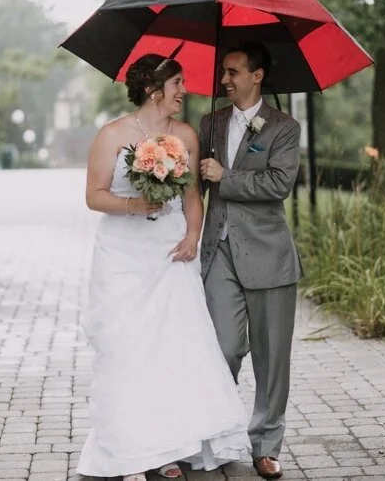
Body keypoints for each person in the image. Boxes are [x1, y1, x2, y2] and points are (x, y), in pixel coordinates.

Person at [78, 54, 251, 480]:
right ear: (154, 90)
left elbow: (192, 196)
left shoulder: (187, 135)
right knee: (129, 346)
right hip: (123, 253)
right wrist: (132, 204)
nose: (184, 90)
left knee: (175, 345)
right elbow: (94, 196)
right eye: (177, 83)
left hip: (171, 248)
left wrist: (193, 234)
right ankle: (140, 446)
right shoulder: (112, 135)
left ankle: (176, 443)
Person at [197, 43, 303, 479]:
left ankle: (266, 445)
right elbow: (194, 186)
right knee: (222, 348)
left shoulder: (284, 128)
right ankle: (219, 435)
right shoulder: (210, 122)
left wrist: (227, 177)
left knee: (271, 357)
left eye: (234, 72)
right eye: (224, 71)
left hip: (269, 255)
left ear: (257, 76)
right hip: (218, 250)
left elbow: (279, 184)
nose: (225, 79)